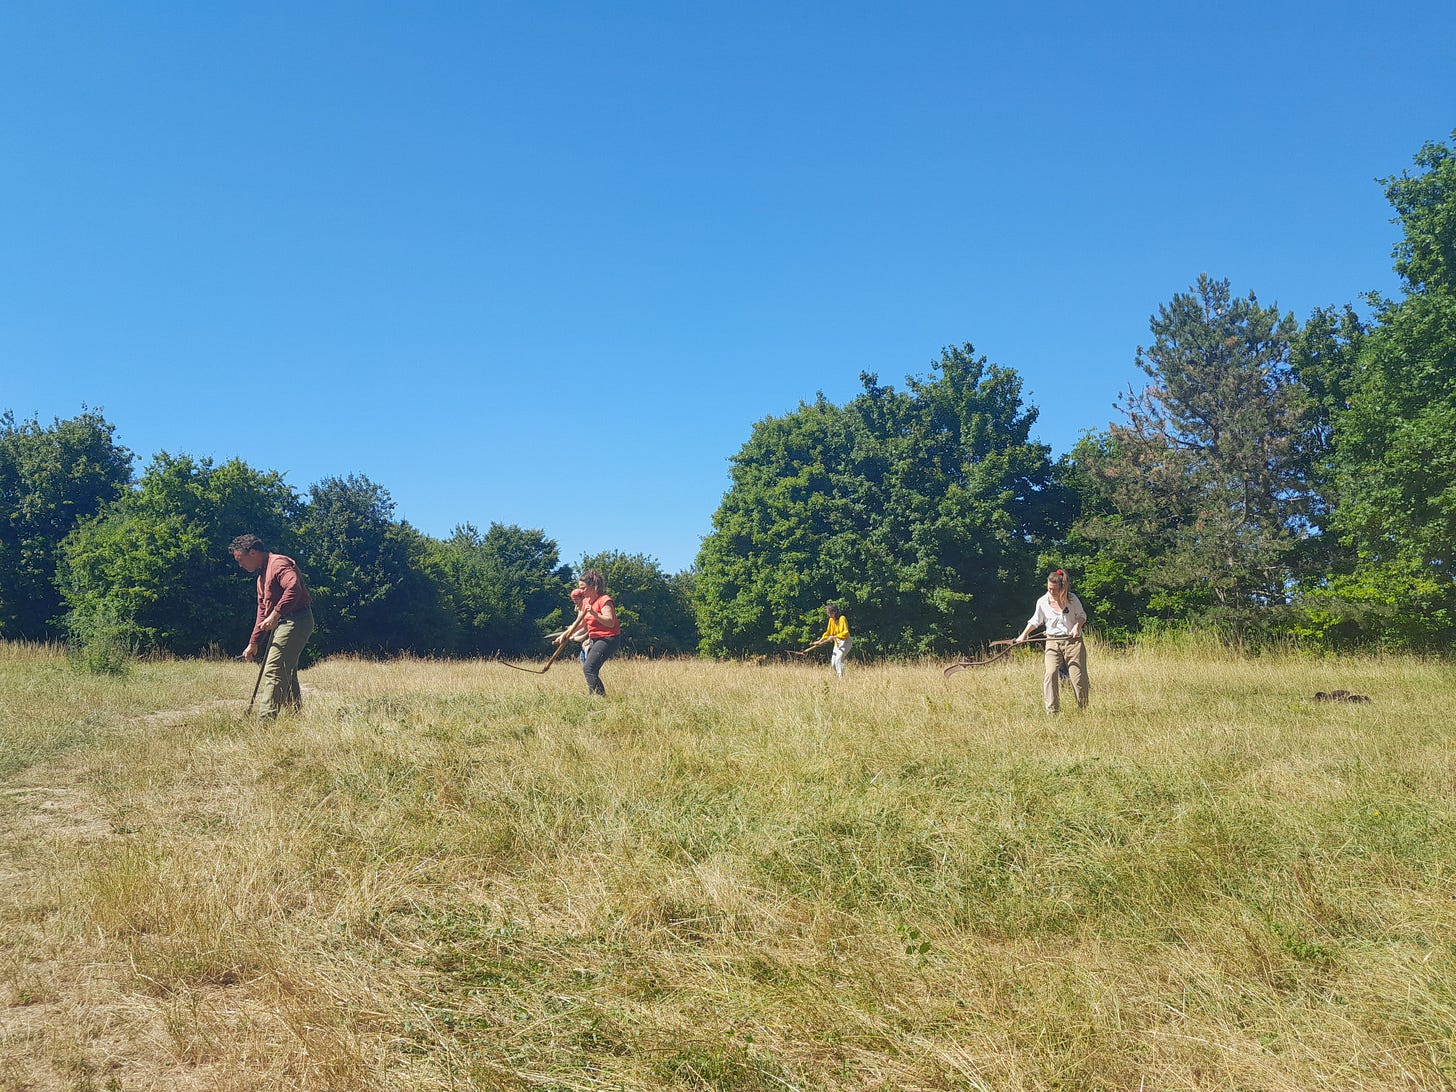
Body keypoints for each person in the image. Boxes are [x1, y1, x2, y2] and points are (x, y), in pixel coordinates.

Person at [230, 533, 315, 720]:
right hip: (285, 621)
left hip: (297, 619)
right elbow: (262, 612)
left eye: (241, 560)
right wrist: (254, 643)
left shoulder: (278, 564)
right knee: (287, 669)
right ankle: (295, 717)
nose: (240, 565)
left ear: (252, 553)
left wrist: (275, 614)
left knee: (274, 668)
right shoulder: (261, 578)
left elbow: (293, 587)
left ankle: (265, 722)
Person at [1015, 568, 1089, 714]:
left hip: (1073, 641)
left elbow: (1082, 616)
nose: (1051, 592)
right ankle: (1052, 712)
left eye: (1054, 589)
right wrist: (1023, 635)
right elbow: (1036, 621)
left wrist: (1076, 626)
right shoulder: (1042, 601)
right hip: (1052, 642)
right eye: (1049, 588)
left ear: (1063, 588)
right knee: (1051, 673)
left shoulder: (1072, 599)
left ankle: (1083, 710)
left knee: (1077, 677)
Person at [569, 569, 619, 696]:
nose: (581, 591)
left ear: (594, 586)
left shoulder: (604, 600)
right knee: (591, 669)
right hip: (594, 639)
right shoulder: (586, 601)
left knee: (589, 668)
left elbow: (610, 622)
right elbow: (580, 623)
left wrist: (594, 613)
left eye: (584, 588)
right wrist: (565, 635)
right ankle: (601, 698)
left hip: (608, 639)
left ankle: (595, 699)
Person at [801, 601, 852, 679]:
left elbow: (845, 632)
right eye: (828, 613)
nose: (829, 615)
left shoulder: (842, 618)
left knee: (838, 659)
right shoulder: (831, 620)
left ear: (835, 612)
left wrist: (834, 636)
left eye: (830, 613)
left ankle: (841, 679)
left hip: (845, 642)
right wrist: (819, 641)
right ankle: (840, 676)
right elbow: (828, 633)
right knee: (833, 664)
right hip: (837, 643)